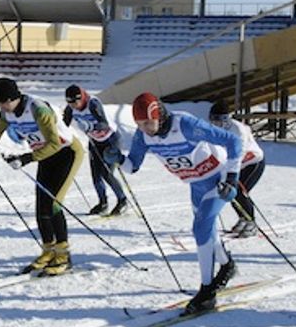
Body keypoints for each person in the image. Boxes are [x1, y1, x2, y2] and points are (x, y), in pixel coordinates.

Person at [106, 92, 243, 314]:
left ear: (159, 114)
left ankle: (207, 291)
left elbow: (233, 141)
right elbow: (132, 167)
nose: (145, 129)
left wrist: (232, 178)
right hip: (195, 186)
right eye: (140, 125)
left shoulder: (185, 124)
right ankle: (227, 266)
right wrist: (118, 159)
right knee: (208, 232)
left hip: (216, 181)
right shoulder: (143, 135)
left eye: (149, 123)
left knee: (200, 229)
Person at [0, 77, 84, 276]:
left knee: (54, 204)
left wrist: (26, 158)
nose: (2, 107)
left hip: (67, 153)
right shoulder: (6, 114)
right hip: (46, 156)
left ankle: (64, 257)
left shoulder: (38, 109)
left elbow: (55, 143)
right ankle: (48, 251)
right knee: (41, 205)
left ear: (14, 98)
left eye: (4, 103)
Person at [63, 84, 128, 216]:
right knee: (96, 175)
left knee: (107, 173)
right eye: (69, 102)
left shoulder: (92, 103)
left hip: (111, 140)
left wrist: (90, 125)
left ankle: (122, 200)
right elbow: (64, 125)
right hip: (95, 142)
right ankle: (102, 203)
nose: (73, 105)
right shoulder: (70, 108)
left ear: (81, 97)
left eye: (75, 101)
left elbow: (104, 123)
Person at [209, 101, 265, 237]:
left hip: (252, 161)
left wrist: (231, 172)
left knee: (239, 191)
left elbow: (239, 152)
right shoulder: (213, 129)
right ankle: (243, 218)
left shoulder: (237, 129)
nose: (215, 124)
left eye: (219, 120)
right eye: (213, 120)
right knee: (231, 193)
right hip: (233, 164)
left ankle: (251, 223)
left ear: (226, 119)